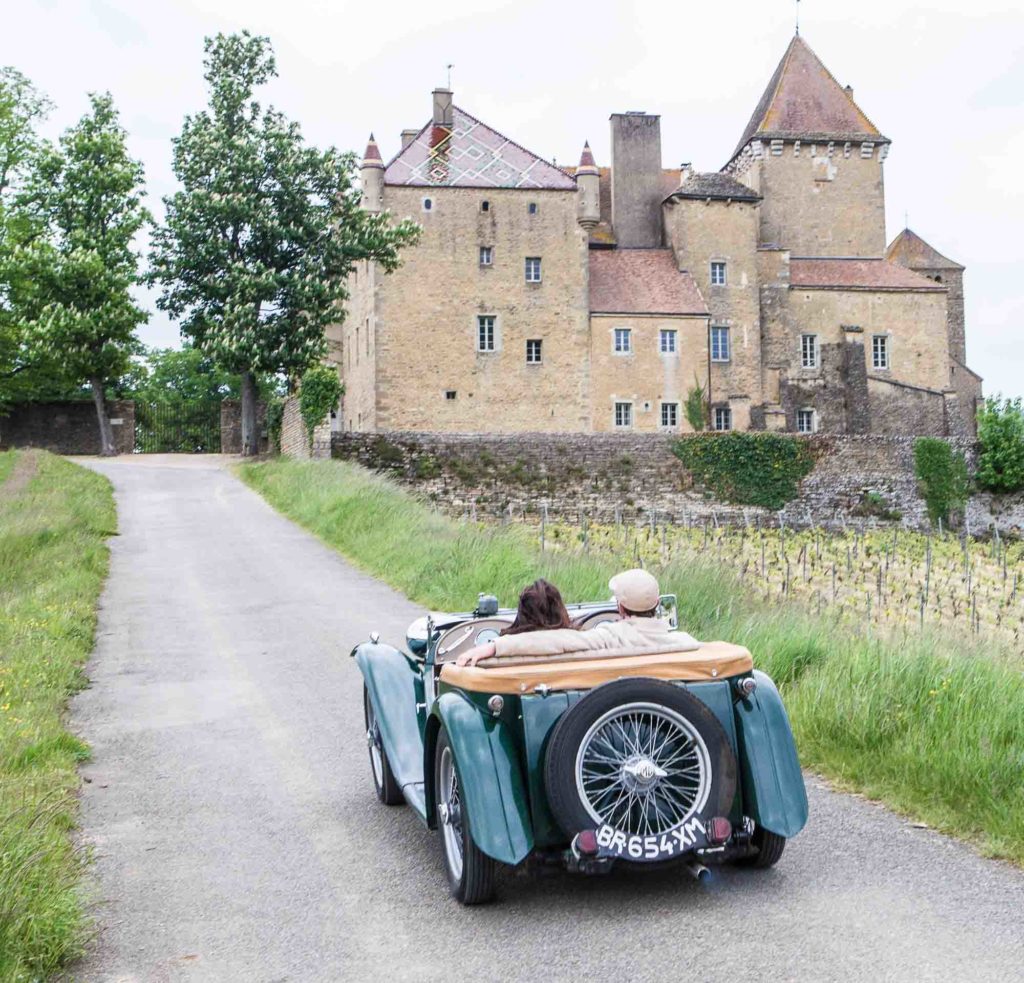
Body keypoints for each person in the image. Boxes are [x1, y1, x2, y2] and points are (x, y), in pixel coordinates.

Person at [455, 568, 699, 667]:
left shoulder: (611, 637)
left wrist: (495, 647)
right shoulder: (685, 643)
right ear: (657, 604)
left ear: (621, 608)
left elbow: (553, 641)